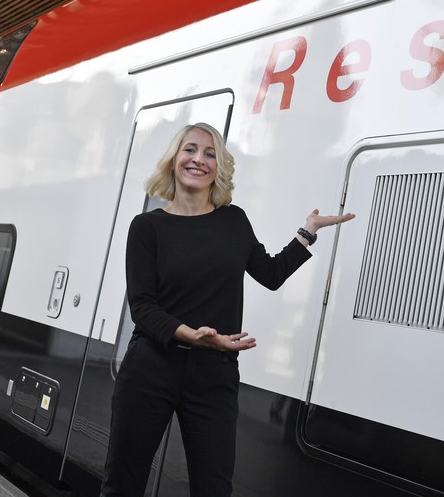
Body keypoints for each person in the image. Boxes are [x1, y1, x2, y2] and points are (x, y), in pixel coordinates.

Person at [100, 123, 354, 497]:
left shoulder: (233, 221)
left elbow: (270, 274)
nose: (198, 160)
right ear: (174, 160)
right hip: (151, 368)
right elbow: (143, 307)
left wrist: (307, 232)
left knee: (214, 489)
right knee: (123, 485)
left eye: (210, 154)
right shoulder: (146, 227)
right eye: (190, 150)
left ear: (218, 168)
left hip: (213, 377)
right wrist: (192, 334)